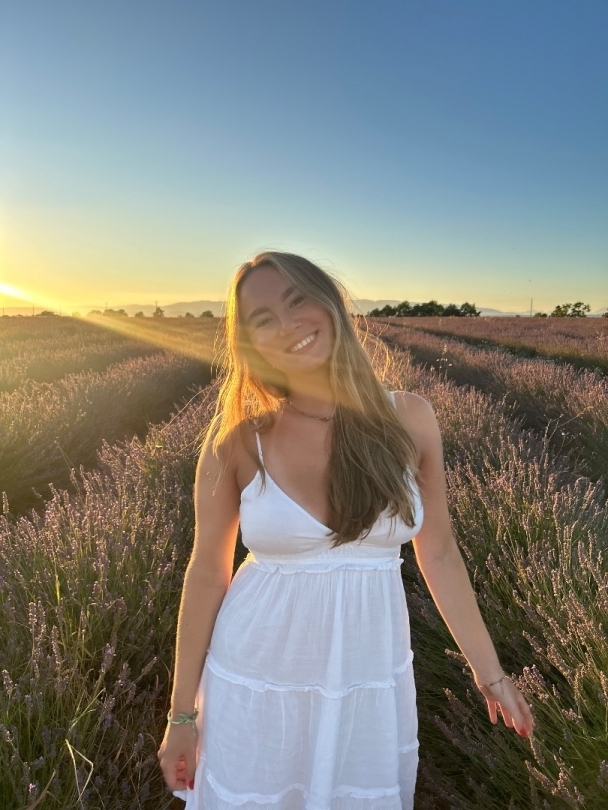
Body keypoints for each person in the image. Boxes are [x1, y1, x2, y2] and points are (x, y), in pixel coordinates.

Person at [157, 250, 535, 809]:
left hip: (366, 676)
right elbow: (207, 573)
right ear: (250, 343)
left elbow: (440, 552)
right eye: (263, 320)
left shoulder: (410, 419)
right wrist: (181, 716)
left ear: (331, 303)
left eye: (298, 302)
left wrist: (490, 672)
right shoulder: (238, 442)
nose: (288, 326)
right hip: (257, 677)